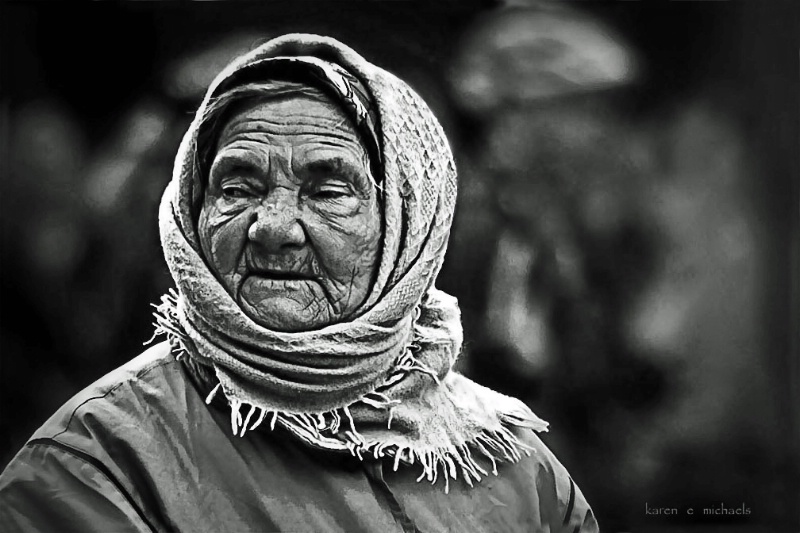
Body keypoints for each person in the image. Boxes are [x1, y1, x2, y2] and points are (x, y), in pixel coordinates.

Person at [0, 34, 597, 532]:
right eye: (238, 187)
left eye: (328, 190)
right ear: (189, 210)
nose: (273, 228)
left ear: (410, 229)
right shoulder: (96, 465)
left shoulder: (517, 472)